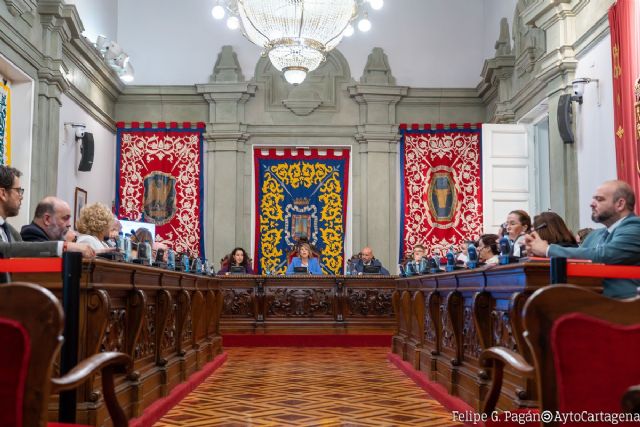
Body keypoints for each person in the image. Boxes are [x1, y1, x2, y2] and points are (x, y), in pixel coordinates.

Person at [525, 180, 640, 299]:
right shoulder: (594, 235)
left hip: (624, 305)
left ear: (620, 204)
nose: (592, 204)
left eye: (599, 199)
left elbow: (603, 257)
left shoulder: (636, 227)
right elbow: (576, 261)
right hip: (589, 299)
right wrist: (537, 254)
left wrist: (547, 250)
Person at [0, 165, 94, 258]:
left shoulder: (11, 231)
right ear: (3, 193)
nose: (21, 196)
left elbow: (24, 252)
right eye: (18, 191)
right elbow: (5, 249)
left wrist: (94, 252)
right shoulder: (26, 232)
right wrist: (64, 246)